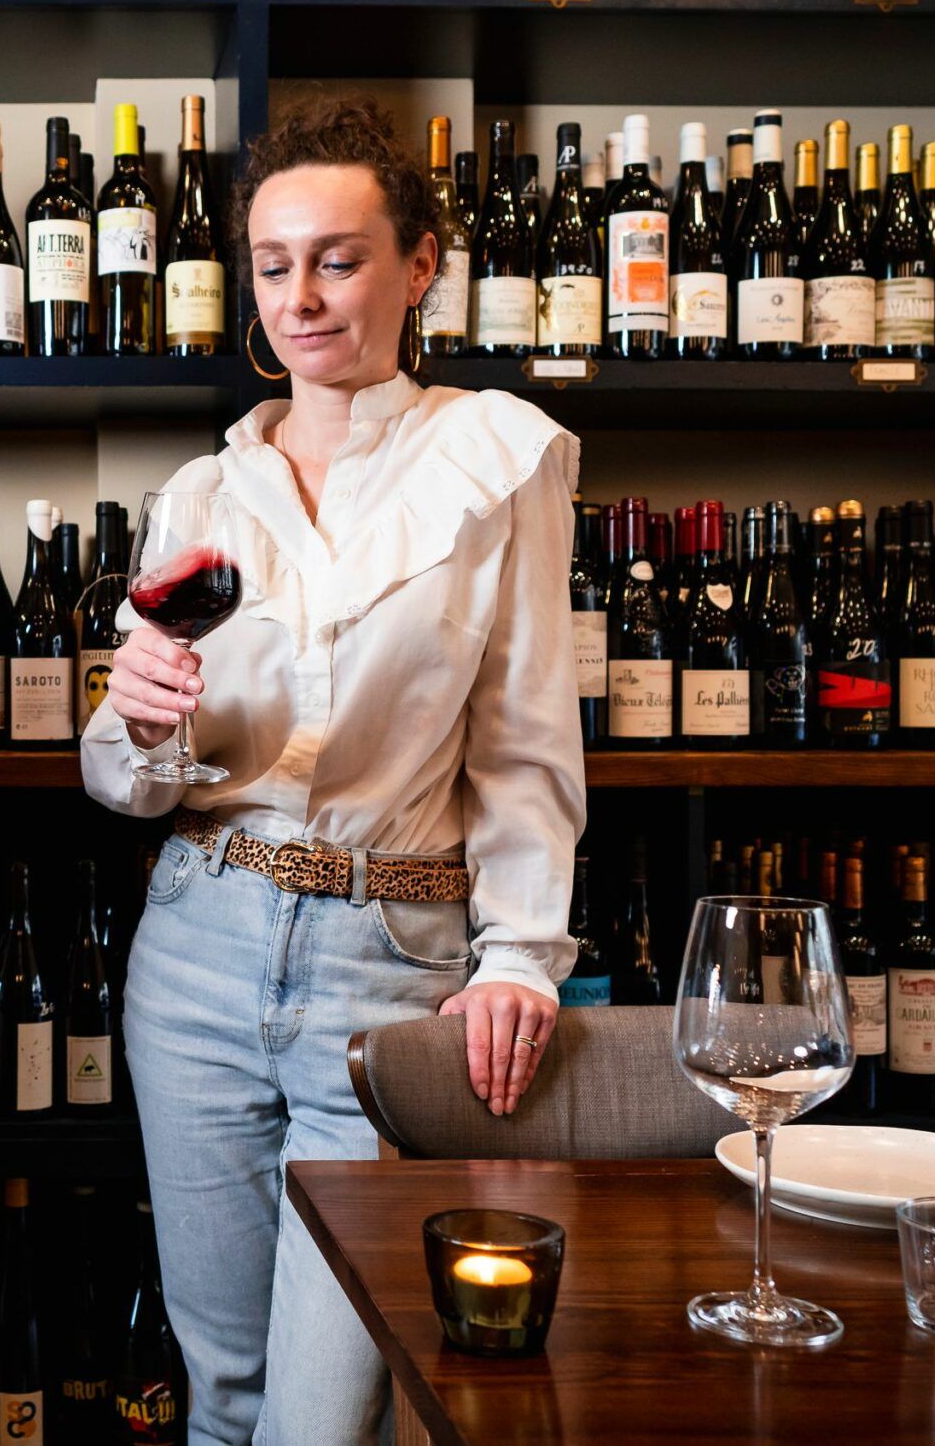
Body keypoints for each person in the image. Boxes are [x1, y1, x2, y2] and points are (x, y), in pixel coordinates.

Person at [80, 98, 586, 1445]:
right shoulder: (204, 494)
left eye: (340, 258)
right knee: (223, 1396)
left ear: (420, 265)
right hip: (194, 950)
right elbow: (128, 783)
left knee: (326, 1419)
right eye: (271, 261)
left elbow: (530, 742)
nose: (300, 297)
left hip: (392, 967)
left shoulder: (497, 461)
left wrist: (519, 955)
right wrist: (134, 719)